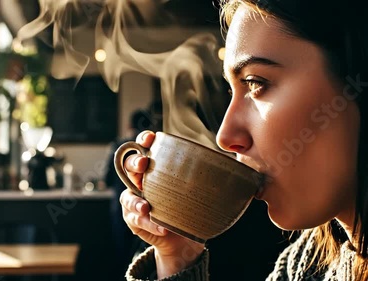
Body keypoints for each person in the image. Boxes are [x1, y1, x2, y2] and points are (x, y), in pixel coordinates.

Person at [119, 0, 368, 280]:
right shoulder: (304, 265)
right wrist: (176, 256)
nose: (225, 137)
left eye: (255, 83)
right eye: (232, 91)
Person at [105, 108, 154, 279]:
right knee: (144, 254)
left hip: (120, 206)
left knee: (122, 251)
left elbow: (108, 179)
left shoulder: (120, 145)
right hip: (150, 208)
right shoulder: (152, 148)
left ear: (128, 124)